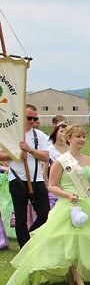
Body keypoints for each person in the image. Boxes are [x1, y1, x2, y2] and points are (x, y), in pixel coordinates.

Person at [4, 125, 90, 285]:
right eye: (77, 137)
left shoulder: (88, 160)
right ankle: (79, 283)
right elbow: (52, 186)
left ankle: (75, 276)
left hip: (87, 205)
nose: (81, 140)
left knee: (85, 242)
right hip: (68, 206)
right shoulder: (61, 161)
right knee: (72, 242)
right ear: (69, 139)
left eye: (83, 136)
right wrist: (67, 194)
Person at [0, 104, 51, 248]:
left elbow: (45, 156)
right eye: (29, 118)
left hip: (37, 179)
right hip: (17, 179)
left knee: (45, 214)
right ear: (22, 117)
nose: (33, 121)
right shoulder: (9, 135)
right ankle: (24, 247)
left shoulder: (39, 135)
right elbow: (1, 155)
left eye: (35, 118)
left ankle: (30, 239)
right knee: (20, 217)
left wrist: (30, 150)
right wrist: (16, 153)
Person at [46, 117, 70, 210]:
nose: (63, 134)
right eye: (61, 131)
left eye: (65, 132)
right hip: (55, 186)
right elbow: (45, 171)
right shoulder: (49, 150)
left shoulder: (71, 148)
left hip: (69, 184)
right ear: (56, 132)